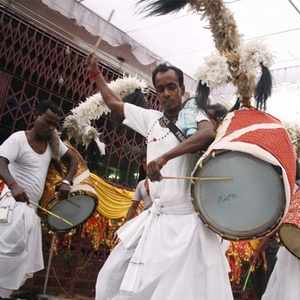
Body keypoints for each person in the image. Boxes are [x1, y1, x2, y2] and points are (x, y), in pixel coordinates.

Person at [87, 55, 233, 300]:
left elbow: (207, 134)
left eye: (171, 87)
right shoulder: (151, 119)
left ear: (181, 89)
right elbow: (114, 103)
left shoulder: (192, 114)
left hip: (187, 224)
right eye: (161, 89)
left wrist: (164, 158)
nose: (166, 93)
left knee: (177, 292)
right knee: (111, 277)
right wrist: (97, 76)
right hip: (155, 218)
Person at [0, 100, 77, 299]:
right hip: (11, 205)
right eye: (47, 121)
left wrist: (67, 180)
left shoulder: (53, 142)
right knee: (6, 254)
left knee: (19, 262)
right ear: (37, 116)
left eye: (54, 125)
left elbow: (73, 160)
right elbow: (1, 162)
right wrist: (14, 185)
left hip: (30, 212)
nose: (50, 128)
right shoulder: (19, 138)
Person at [125, 156, 152, 222]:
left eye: (148, 161)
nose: (146, 164)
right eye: (144, 162)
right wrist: (125, 225)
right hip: (146, 218)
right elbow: (133, 207)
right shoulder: (141, 184)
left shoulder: (163, 180)